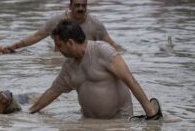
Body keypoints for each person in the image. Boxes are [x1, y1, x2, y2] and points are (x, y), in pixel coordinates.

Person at [29, 19, 162, 120]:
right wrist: (30, 112)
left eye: (59, 45)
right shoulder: (68, 68)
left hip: (120, 121)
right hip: (89, 122)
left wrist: (150, 113)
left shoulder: (103, 51)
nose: (56, 49)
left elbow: (130, 81)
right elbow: (52, 92)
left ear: (70, 43)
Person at [3, 0, 122, 52]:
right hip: (60, 59)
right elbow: (37, 36)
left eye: (83, 5)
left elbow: (112, 45)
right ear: (70, 6)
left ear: (86, 6)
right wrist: (14, 46)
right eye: (77, 5)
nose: (80, 8)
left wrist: (133, 55)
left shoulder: (96, 24)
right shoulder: (57, 21)